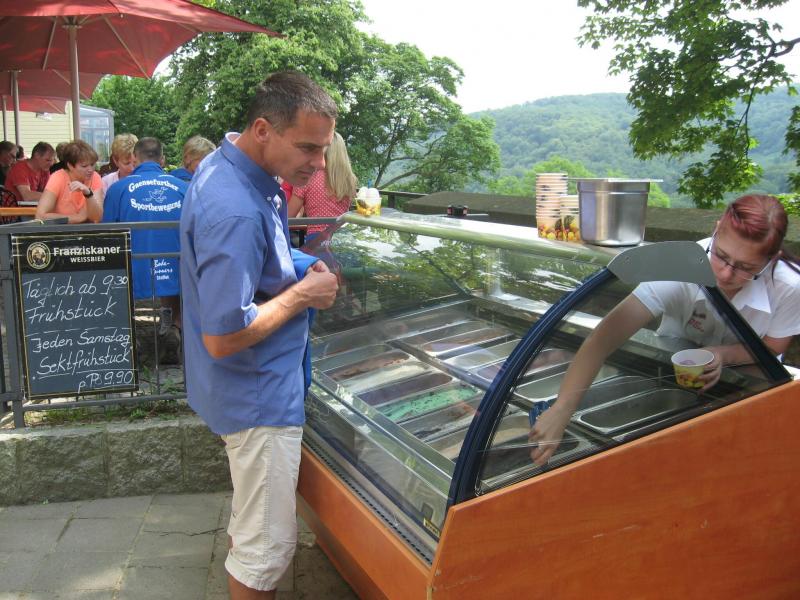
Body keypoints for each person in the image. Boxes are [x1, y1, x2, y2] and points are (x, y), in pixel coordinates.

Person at [180, 71, 339, 600]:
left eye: (324, 147)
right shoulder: (236, 209)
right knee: (265, 553)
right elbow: (223, 337)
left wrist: (303, 264)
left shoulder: (231, 167)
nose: (319, 163)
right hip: (258, 398)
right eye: (309, 147)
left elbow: (261, 257)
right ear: (264, 129)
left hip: (240, 390)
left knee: (253, 523)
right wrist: (303, 295)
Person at [529, 194, 800, 466]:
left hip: (753, 387)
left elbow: (773, 346)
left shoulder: (789, 286)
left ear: (771, 259)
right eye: (721, 255)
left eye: (746, 268)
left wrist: (722, 355)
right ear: (716, 230)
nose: (726, 274)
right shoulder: (677, 269)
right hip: (673, 377)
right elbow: (603, 339)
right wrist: (562, 408)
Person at [104, 137, 188, 364]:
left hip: (135, 264)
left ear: (134, 158)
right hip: (175, 262)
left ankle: (130, 339)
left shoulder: (118, 189)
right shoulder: (183, 187)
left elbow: (109, 231)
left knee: (121, 284)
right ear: (163, 160)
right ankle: (174, 327)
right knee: (177, 281)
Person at [288, 131, 357, 237]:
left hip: (316, 239)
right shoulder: (349, 179)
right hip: (341, 237)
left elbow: (288, 217)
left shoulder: (309, 177)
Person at [35, 140, 102, 223]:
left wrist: (88, 194)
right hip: (61, 229)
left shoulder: (95, 176)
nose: (90, 170)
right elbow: (40, 216)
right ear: (70, 166)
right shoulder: (58, 177)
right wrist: (77, 218)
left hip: (87, 229)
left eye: (92, 164)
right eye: (84, 166)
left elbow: (97, 217)